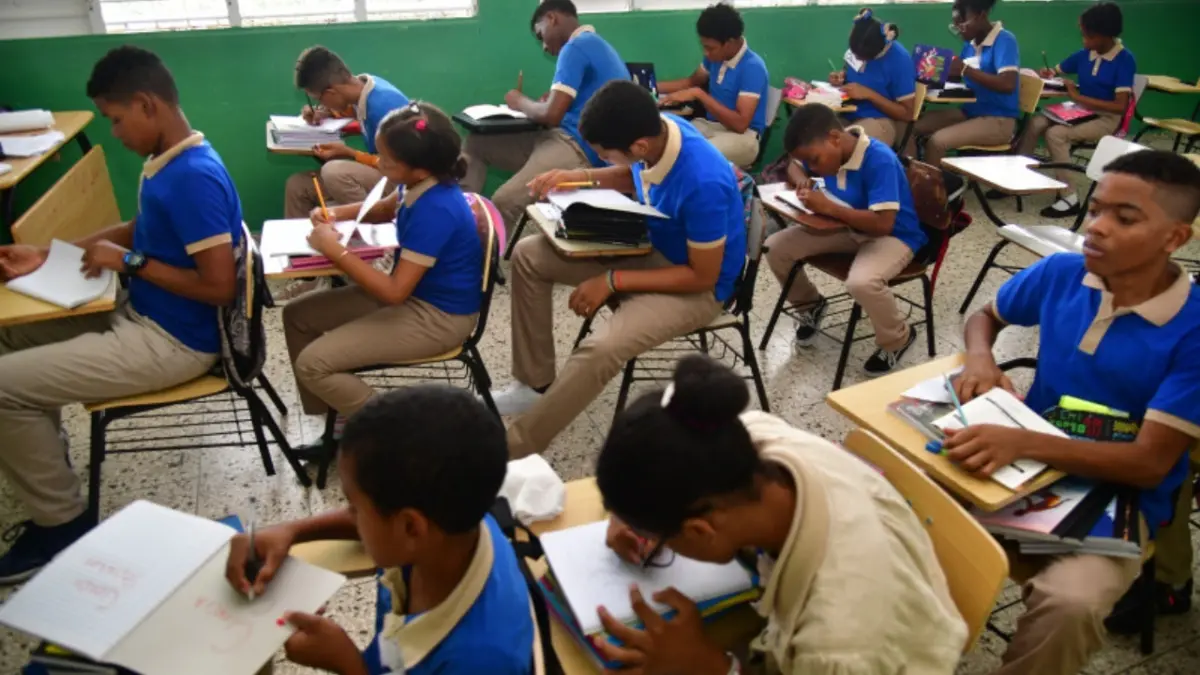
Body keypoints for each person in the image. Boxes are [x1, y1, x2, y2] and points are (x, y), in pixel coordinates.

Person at [951, 149, 1200, 675]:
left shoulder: (1192, 329)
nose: (1096, 227)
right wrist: (980, 358)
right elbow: (985, 317)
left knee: (1071, 605)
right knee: (902, 511)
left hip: (1117, 499)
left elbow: (1149, 464)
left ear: (1174, 238)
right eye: (1097, 209)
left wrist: (1022, 442)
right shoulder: (1064, 273)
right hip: (1024, 466)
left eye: (1124, 218)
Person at [0, 46, 241, 582]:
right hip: (139, 311)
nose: (114, 132)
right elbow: (139, 230)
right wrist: (49, 255)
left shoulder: (192, 177)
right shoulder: (169, 162)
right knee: (8, 341)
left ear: (146, 104)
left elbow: (220, 286)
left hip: (175, 342)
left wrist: (131, 263)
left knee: (3, 387)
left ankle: (60, 527)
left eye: (115, 119)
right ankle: (44, 463)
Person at [593, 355, 968, 674]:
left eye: (656, 535)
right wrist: (631, 507)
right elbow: (669, 445)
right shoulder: (747, 436)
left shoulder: (837, 647)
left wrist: (709, 667)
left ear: (700, 530)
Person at [492, 80, 746, 459]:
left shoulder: (703, 181)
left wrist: (611, 281)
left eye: (604, 155)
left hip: (698, 287)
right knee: (529, 254)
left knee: (601, 349)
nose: (602, 161)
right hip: (653, 249)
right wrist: (575, 177)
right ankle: (534, 383)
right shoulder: (659, 132)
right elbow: (633, 173)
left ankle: (511, 451)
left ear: (638, 146)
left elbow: (702, 276)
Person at [224, 386, 535, 675]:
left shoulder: (483, 661)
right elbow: (379, 518)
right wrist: (290, 531)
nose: (351, 516)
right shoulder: (456, 520)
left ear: (410, 527)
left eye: (355, 507)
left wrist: (349, 665)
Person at [282, 102, 484, 457]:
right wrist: (333, 213)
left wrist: (334, 250)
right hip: (417, 295)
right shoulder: (419, 183)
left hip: (439, 316)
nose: (379, 164)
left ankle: (398, 438)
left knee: (312, 365)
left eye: (387, 161)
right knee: (297, 316)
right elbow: (384, 209)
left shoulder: (437, 208)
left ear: (418, 168)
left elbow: (393, 293)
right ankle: (338, 420)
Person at [764, 104, 926, 376]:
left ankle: (898, 337)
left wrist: (829, 208)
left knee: (862, 282)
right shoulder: (827, 147)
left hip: (893, 235)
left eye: (815, 160)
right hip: (847, 226)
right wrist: (803, 181)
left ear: (835, 138)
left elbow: (883, 224)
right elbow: (794, 164)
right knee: (775, 248)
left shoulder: (879, 160)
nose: (813, 167)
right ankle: (811, 305)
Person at [462, 0, 627, 231]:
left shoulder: (575, 47)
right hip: (559, 136)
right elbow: (566, 105)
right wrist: (548, 103)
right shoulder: (596, 44)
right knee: (476, 143)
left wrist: (519, 101)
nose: (544, 47)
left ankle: (498, 253)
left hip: (576, 146)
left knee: (505, 202)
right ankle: (461, 219)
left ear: (552, 18)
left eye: (541, 35)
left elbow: (551, 115)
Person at [1016, 1, 1136, 218]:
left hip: (1106, 118)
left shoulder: (1124, 60)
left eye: (1088, 36)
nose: (1084, 40)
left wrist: (1078, 97)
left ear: (1106, 35)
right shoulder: (1085, 54)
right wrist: (1047, 73)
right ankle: (1019, 176)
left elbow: (1120, 106)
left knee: (1055, 134)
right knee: (1035, 122)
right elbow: (1055, 71)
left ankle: (1069, 197)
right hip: (1078, 111)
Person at [283, 46, 410, 219]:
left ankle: (371, 222)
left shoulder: (384, 107)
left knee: (334, 172)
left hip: (398, 181)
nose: (319, 105)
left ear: (331, 92)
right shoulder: (364, 87)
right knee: (297, 186)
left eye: (318, 100)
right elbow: (355, 112)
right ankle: (305, 237)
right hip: (381, 171)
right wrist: (326, 113)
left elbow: (399, 166)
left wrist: (349, 153)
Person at [905, 0, 1020, 167]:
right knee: (910, 126)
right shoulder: (970, 44)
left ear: (981, 16)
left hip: (998, 119)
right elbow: (959, 75)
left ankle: (932, 183)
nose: (959, 31)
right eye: (955, 26)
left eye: (962, 25)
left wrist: (965, 70)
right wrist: (930, 75)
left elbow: (1007, 84)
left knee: (937, 142)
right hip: (970, 112)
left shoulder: (1005, 40)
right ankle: (913, 175)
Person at [658, 2, 770, 168]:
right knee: (667, 144)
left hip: (744, 138)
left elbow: (740, 125)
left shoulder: (752, 68)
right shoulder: (716, 58)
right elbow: (690, 82)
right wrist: (648, 87)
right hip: (711, 126)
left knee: (693, 155)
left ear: (730, 43)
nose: (706, 53)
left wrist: (699, 95)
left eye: (710, 48)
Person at [829, 8, 917, 148]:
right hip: (848, 115)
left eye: (862, 57)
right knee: (819, 136)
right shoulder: (860, 43)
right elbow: (852, 71)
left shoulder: (899, 60)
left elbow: (907, 113)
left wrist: (869, 95)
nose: (856, 58)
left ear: (878, 51)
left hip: (880, 121)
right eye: (854, 53)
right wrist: (841, 77)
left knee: (848, 145)